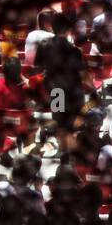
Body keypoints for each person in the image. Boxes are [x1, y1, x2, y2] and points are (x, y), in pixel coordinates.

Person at [34, 13, 87, 159]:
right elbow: (82, 74)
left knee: (59, 120)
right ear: (68, 30)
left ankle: (63, 150)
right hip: (73, 92)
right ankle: (69, 150)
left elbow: (37, 69)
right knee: (71, 122)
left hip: (56, 90)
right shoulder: (75, 51)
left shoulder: (44, 45)